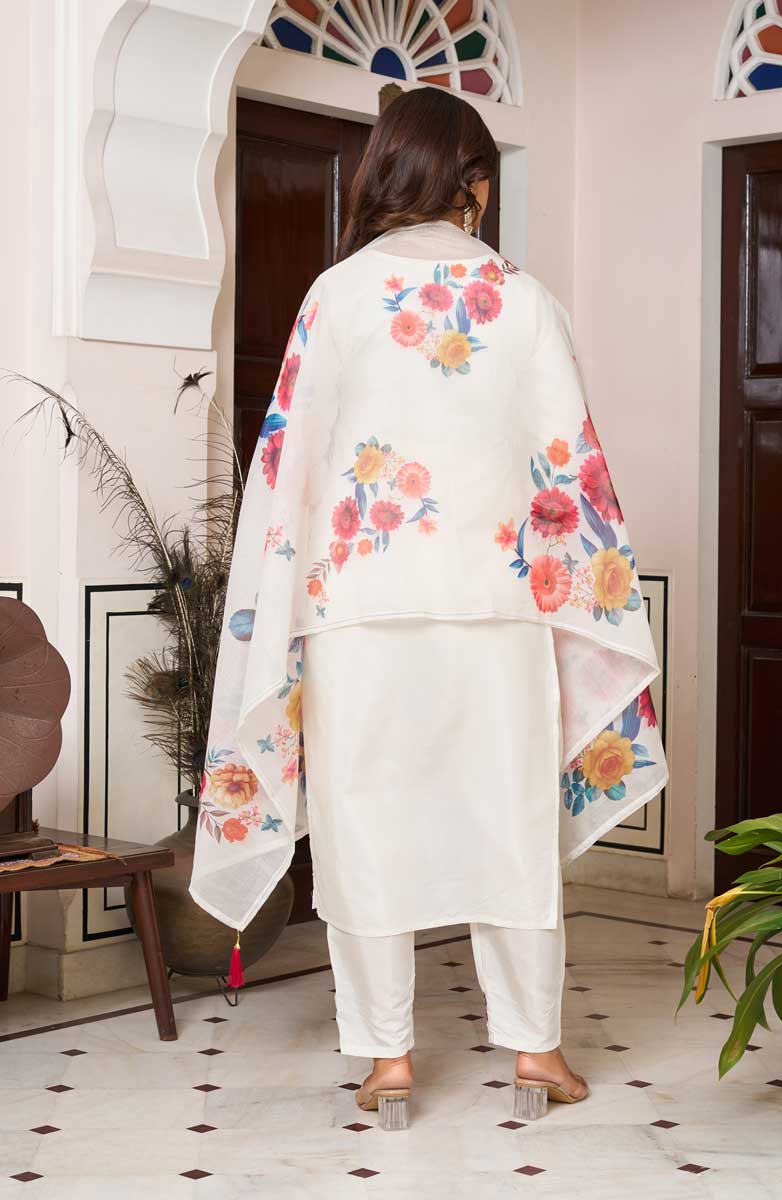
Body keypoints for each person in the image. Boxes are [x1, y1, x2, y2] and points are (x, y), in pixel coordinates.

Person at [189, 86, 668, 1131]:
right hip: (497, 610)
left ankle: (388, 1063)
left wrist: (280, 609)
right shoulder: (523, 301)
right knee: (511, 824)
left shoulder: (334, 298)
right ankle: (536, 1051)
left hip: (358, 612)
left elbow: (287, 473)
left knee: (364, 825)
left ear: (386, 171)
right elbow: (569, 472)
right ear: (473, 183)